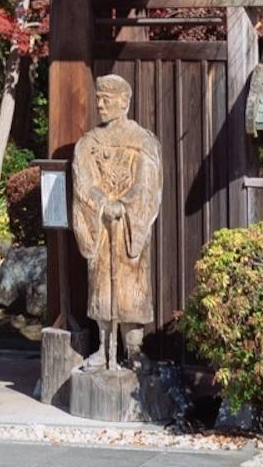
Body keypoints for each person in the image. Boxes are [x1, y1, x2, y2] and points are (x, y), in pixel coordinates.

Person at [67, 72, 161, 370]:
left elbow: (148, 184)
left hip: (129, 227)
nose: (100, 104)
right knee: (101, 286)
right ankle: (103, 347)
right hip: (102, 228)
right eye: (98, 98)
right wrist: (102, 203)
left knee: (131, 286)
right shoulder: (88, 143)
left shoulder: (143, 142)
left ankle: (133, 349)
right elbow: (83, 182)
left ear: (124, 101)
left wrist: (125, 204)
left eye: (107, 99)